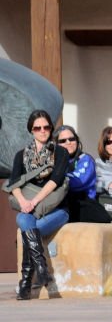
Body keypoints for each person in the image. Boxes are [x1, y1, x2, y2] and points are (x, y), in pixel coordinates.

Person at [5, 110, 68, 300]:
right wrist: (24, 202)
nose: (42, 131)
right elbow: (14, 183)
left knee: (29, 228)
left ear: (51, 128)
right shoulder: (21, 155)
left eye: (46, 127)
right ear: (31, 130)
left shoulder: (60, 152)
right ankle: (40, 269)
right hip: (29, 208)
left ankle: (26, 283)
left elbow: (56, 180)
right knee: (23, 219)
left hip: (57, 210)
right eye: (37, 128)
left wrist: (34, 200)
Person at [56, 125, 111, 223]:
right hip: (61, 203)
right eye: (63, 141)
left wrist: (56, 177)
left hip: (83, 204)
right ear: (56, 144)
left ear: (77, 140)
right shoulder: (54, 161)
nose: (68, 142)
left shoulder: (85, 159)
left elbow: (77, 182)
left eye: (71, 139)